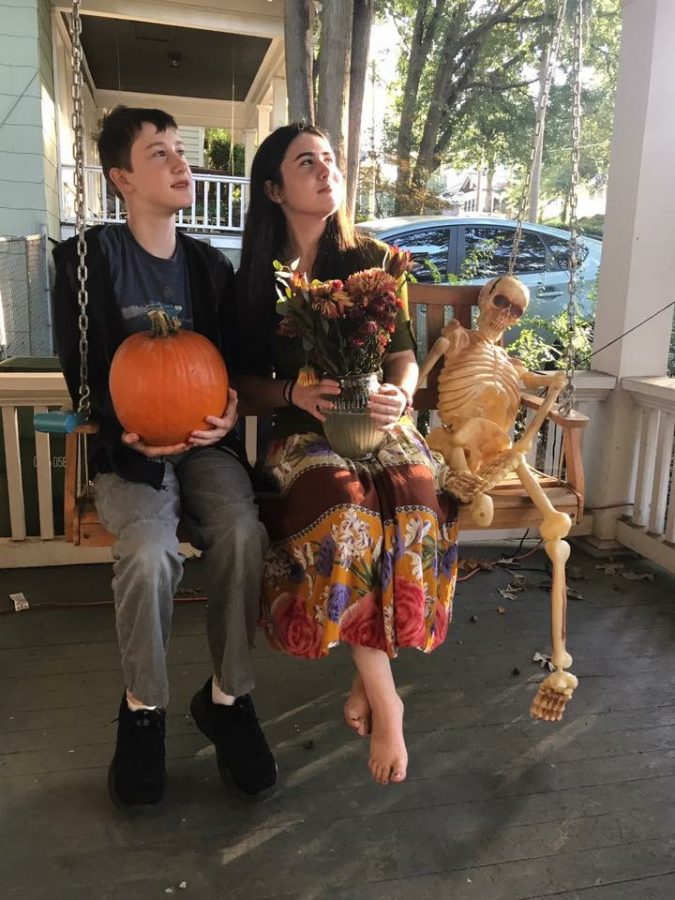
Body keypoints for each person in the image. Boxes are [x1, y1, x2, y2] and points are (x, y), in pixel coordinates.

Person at [53, 106, 276, 806]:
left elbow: (233, 367)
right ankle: (142, 711)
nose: (182, 164)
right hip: (131, 453)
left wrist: (233, 409)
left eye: (181, 151)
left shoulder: (209, 267)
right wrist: (125, 431)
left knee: (242, 534)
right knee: (150, 553)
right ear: (121, 177)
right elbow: (82, 374)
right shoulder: (87, 261)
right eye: (160, 154)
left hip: (206, 448)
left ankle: (228, 699)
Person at [235, 123, 458, 786]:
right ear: (274, 187)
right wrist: (292, 391)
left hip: (379, 425)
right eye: (307, 162)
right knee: (346, 509)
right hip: (300, 436)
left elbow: (403, 357)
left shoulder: (371, 260)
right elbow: (237, 384)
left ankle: (369, 673)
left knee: (417, 495)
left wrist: (398, 395)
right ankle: (385, 698)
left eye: (330, 159)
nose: (325, 170)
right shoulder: (253, 279)